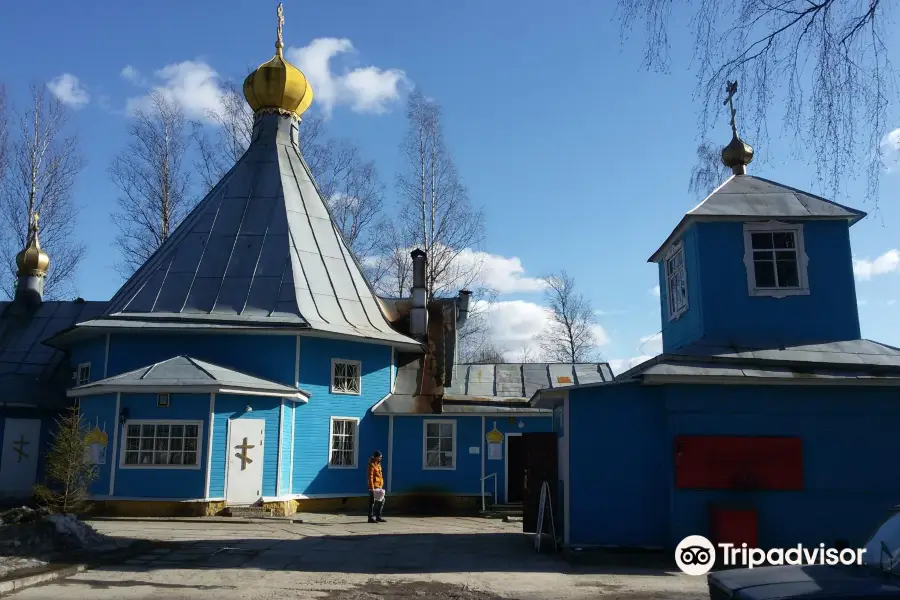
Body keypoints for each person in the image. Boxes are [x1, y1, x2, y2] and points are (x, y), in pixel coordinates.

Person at [367, 450, 386, 523]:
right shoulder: (371, 465)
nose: (380, 458)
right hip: (374, 486)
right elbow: (370, 476)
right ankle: (370, 517)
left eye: (381, 457)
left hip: (379, 485)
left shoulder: (378, 464)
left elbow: (380, 475)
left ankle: (378, 516)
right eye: (379, 457)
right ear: (376, 457)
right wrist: (371, 488)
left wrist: (381, 484)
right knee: (372, 502)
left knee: (381, 500)